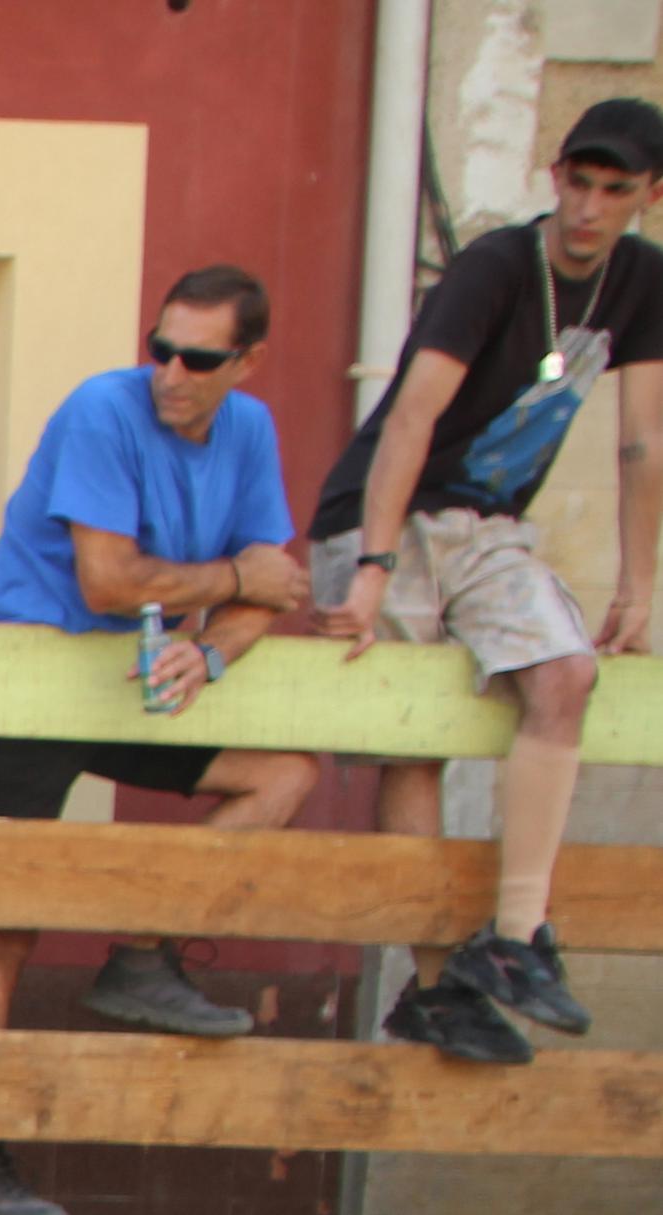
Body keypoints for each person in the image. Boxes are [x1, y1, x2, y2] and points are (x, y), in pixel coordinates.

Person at [0, 266, 318, 1215]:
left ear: (246, 363)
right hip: (13, 684)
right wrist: (229, 578)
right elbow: (107, 582)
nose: (170, 372)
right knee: (5, 924)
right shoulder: (102, 408)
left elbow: (269, 596)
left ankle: (141, 952)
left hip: (112, 684)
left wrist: (208, 655)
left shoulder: (250, 431)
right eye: (160, 347)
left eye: (198, 357)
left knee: (282, 773)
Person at [312, 95, 663, 1066]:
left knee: (564, 674)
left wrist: (637, 585)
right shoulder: (493, 267)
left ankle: (513, 939)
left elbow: (642, 441)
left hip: (488, 528)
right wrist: (373, 567)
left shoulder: (640, 280)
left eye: (613, 191)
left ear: (648, 196)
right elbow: (410, 416)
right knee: (414, 747)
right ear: (553, 178)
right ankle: (429, 991)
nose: (588, 209)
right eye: (576, 183)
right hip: (384, 514)